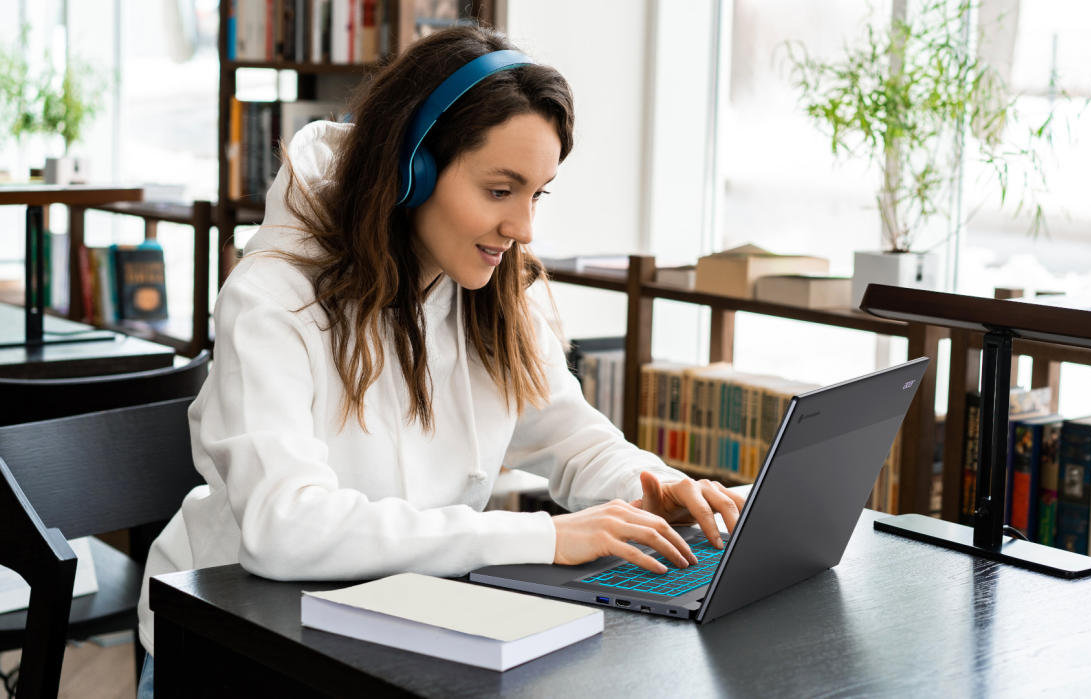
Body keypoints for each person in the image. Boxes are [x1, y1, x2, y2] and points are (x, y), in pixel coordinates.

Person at [134, 26, 744, 695]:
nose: (523, 228)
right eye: (499, 190)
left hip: (402, 625)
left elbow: (570, 439)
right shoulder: (271, 299)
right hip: (236, 640)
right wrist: (541, 537)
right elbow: (286, 527)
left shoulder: (495, 290)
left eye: (537, 194)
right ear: (411, 169)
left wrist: (652, 487)